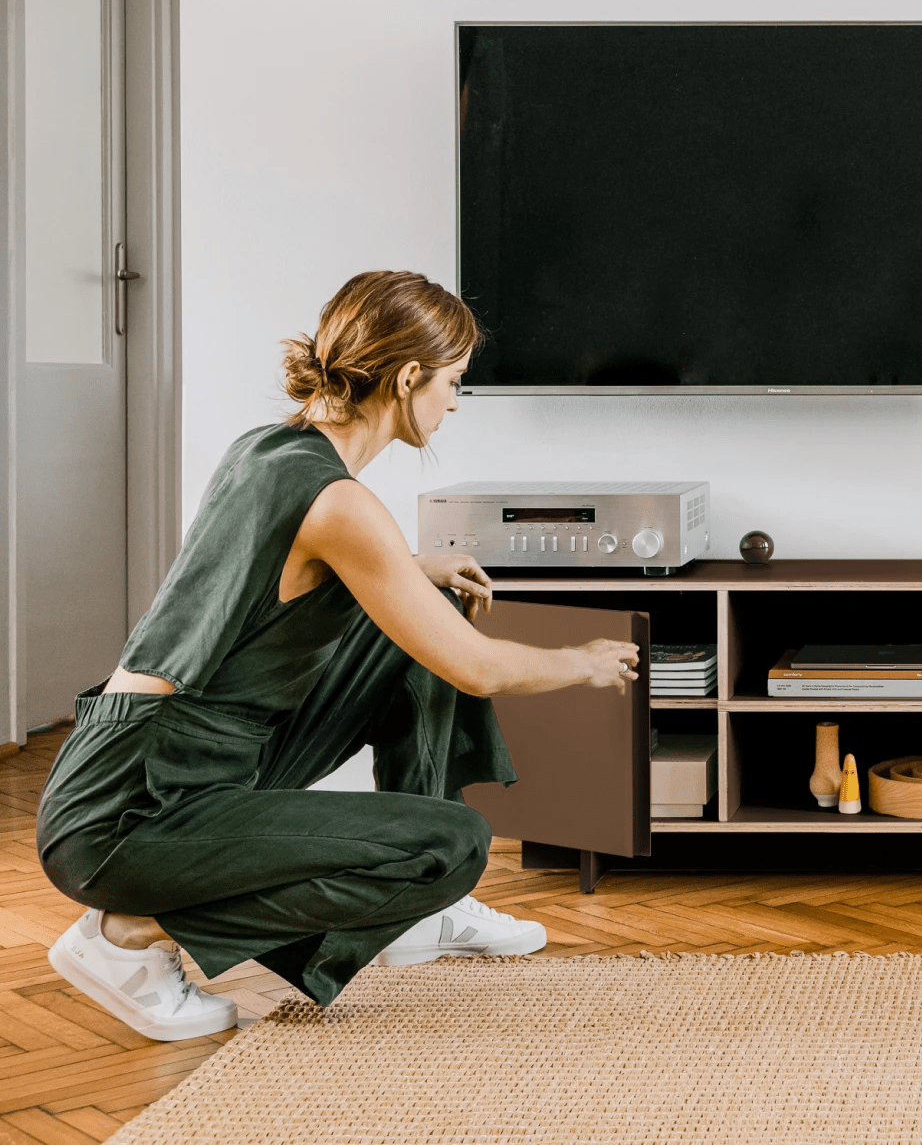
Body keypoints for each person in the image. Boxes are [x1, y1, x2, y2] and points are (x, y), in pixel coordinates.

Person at [34, 271, 639, 1040]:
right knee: (450, 846)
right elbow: (475, 668)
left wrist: (413, 573)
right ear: (410, 377)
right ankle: (130, 936)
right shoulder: (342, 505)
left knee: (428, 615)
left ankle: (426, 920)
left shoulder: (269, 449)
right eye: (453, 384)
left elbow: (265, 584)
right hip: (130, 813)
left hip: (168, 756)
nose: (454, 403)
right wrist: (583, 661)